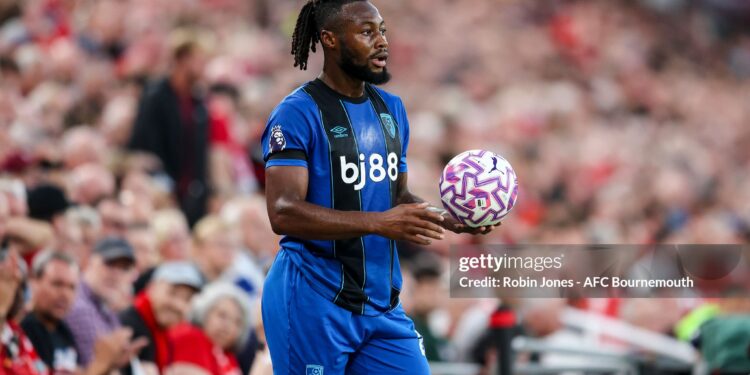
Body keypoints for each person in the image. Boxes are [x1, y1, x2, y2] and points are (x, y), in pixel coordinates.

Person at [260, 1, 497, 373]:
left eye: (383, 30)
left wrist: (450, 220)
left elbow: (397, 197)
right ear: (330, 40)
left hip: (381, 302)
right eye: (367, 32)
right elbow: (283, 211)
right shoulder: (297, 113)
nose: (382, 41)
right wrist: (378, 222)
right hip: (313, 296)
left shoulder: (392, 110)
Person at [127, 36, 210, 227]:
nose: (203, 66)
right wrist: (163, 183)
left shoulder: (198, 102)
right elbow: (144, 143)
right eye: (199, 60)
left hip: (192, 192)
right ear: (182, 60)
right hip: (162, 189)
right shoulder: (156, 96)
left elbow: (199, 151)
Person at [22, 250, 144, 375]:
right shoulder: (27, 329)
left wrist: (110, 364)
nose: (65, 294)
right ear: (33, 283)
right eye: (57, 284)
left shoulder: (63, 330)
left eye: (72, 287)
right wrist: (101, 363)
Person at [64, 236, 140, 366]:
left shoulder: (104, 306)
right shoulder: (79, 306)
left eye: (124, 268)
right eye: (109, 264)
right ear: (89, 261)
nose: (116, 274)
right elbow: (98, 368)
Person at [119, 261, 203, 373]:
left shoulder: (162, 335)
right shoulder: (128, 327)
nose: (178, 305)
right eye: (172, 293)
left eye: (186, 299)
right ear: (151, 287)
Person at [166, 283, 251, 375]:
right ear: (205, 312)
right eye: (222, 315)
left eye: (237, 322)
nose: (227, 326)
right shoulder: (191, 337)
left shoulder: (228, 356)